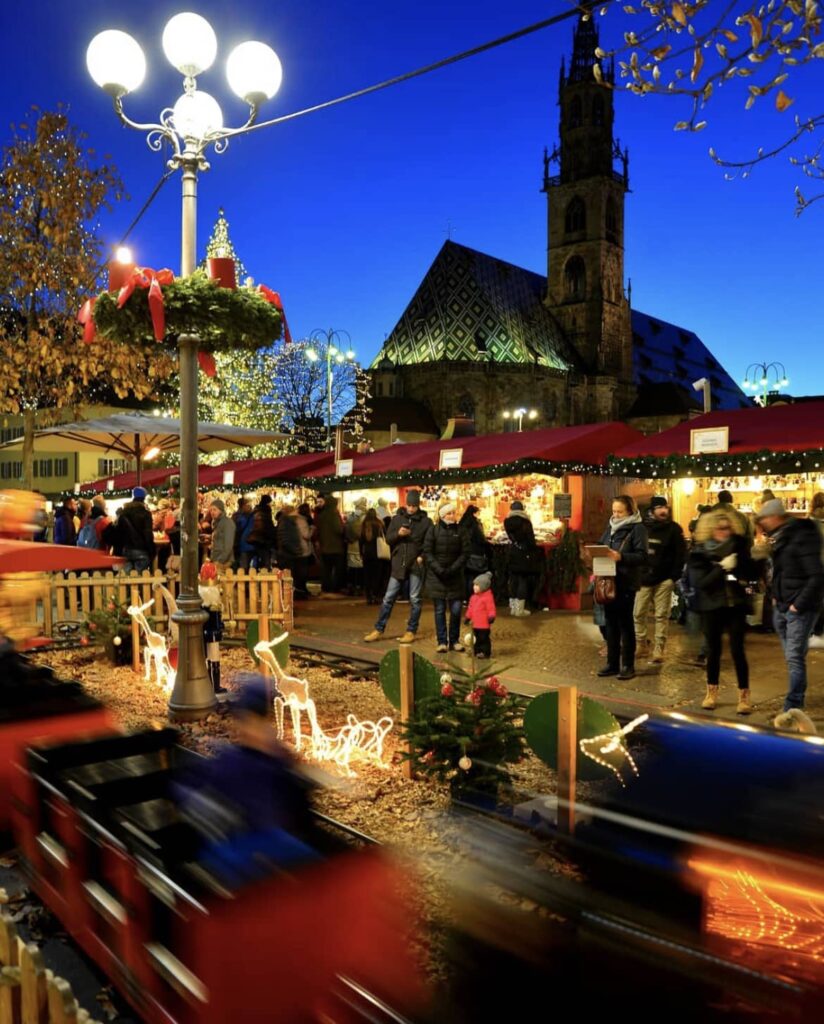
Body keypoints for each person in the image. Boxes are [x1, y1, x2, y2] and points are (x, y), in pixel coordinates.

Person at [173, 675, 318, 886]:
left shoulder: (265, 760)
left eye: (256, 721)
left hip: (267, 847)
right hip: (257, 847)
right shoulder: (240, 760)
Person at [755, 498, 824, 711]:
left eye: (764, 519)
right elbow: (782, 570)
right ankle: (795, 697)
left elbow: (816, 576)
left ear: (775, 517)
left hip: (798, 607)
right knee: (794, 655)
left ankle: (793, 704)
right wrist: (776, 596)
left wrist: (798, 605)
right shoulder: (783, 536)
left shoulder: (800, 536)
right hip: (784, 605)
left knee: (794, 657)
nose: (762, 524)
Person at [688, 510, 756, 713]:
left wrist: (744, 583)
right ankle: (711, 692)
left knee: (738, 650)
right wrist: (722, 569)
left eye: (728, 528)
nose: (725, 532)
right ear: (710, 530)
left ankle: (744, 696)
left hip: (736, 605)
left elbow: (751, 577)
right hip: (711, 606)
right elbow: (701, 583)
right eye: (720, 528)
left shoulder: (740, 547)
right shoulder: (699, 553)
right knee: (713, 650)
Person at [363, 489, 431, 644]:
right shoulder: (397, 519)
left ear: (418, 504)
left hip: (415, 564)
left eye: (414, 505)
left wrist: (422, 557)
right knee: (388, 598)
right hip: (399, 563)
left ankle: (411, 630)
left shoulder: (426, 522)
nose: (411, 508)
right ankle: (379, 628)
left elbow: (428, 543)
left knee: (415, 599)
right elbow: (388, 539)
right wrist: (399, 534)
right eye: (409, 505)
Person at [596, 495, 648, 681]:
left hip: (626, 581)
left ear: (630, 511)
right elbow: (602, 545)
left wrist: (621, 557)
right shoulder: (610, 526)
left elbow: (642, 556)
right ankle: (612, 663)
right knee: (610, 624)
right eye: (614, 511)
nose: (616, 515)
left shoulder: (637, 528)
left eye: (620, 512)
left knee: (625, 624)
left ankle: (628, 665)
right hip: (608, 579)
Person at [633, 496, 685, 664]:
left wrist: (673, 577)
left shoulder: (674, 529)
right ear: (652, 510)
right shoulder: (642, 528)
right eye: (659, 507)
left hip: (664, 579)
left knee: (661, 615)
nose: (664, 510)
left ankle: (659, 650)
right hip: (643, 578)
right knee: (638, 612)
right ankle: (641, 644)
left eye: (665, 507)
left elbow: (681, 554)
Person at [423, 502, 469, 653]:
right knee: (440, 610)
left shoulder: (461, 531)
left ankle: (454, 640)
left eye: (453, 513)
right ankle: (442, 641)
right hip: (437, 577)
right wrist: (439, 569)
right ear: (442, 515)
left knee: (456, 610)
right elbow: (428, 552)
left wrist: (453, 568)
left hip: (455, 577)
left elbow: (465, 552)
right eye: (449, 513)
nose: (452, 516)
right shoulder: (433, 531)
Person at [503, 501, 539, 617]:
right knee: (522, 580)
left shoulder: (507, 521)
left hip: (512, 552)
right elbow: (530, 539)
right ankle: (519, 609)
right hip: (523, 553)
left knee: (513, 580)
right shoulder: (525, 522)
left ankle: (513, 608)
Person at [118, 486, 155, 573]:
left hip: (126, 550)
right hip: (141, 550)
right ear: (144, 498)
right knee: (139, 579)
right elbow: (148, 534)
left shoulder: (123, 513)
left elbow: (119, 532)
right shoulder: (145, 514)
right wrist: (152, 551)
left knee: (126, 579)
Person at [316, 494, 347, 595]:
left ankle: (326, 586)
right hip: (335, 546)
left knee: (326, 569)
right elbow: (339, 529)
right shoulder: (334, 514)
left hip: (324, 546)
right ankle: (335, 587)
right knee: (338, 569)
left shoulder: (321, 515)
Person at [459, 504, 489, 600]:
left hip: (464, 552)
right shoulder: (475, 524)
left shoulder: (462, 522)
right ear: (474, 513)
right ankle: (472, 597)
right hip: (475, 552)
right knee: (474, 576)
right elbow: (481, 538)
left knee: (466, 576)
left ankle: (465, 598)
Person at [465, 571, 496, 659]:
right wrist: (468, 617)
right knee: (476, 639)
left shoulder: (488, 598)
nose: (474, 587)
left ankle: (485, 652)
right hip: (475, 624)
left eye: (477, 585)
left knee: (484, 639)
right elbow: (470, 609)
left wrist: (491, 616)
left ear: (483, 587)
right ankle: (477, 651)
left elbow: (491, 608)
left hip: (484, 625)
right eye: (474, 585)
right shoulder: (473, 597)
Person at [277, 505, 306, 595]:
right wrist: (296, 550)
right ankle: (288, 596)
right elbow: (285, 540)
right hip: (287, 555)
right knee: (289, 577)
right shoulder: (286, 523)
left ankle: (291, 594)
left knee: (293, 576)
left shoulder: (290, 522)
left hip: (290, 554)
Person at [359, 508, 386, 605]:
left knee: (367, 575)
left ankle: (368, 597)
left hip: (367, 553)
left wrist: (361, 553)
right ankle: (375, 595)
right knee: (376, 575)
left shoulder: (363, 525)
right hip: (377, 553)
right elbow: (385, 537)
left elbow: (361, 541)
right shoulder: (379, 524)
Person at [345, 497, 368, 596]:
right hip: (360, 545)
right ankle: (359, 586)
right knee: (360, 567)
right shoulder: (364, 516)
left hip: (351, 545)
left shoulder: (350, 516)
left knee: (351, 567)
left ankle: (351, 586)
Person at [248, 494, 277, 569]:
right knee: (265, 558)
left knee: (257, 557)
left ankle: (257, 569)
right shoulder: (266, 513)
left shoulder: (255, 511)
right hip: (264, 539)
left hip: (256, 539)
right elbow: (268, 526)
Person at [208, 498, 236, 573]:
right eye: (211, 510)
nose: (212, 512)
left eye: (214, 509)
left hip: (223, 562)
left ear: (221, 510)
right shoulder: (217, 523)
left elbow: (228, 545)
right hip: (216, 559)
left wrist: (220, 561)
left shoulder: (227, 523)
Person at [296, 503, 316, 597]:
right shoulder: (302, 521)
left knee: (302, 571)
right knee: (303, 571)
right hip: (303, 548)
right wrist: (312, 529)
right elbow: (306, 535)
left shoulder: (298, 520)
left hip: (301, 548)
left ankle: (302, 589)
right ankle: (302, 590)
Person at [233, 496, 256, 571]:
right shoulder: (241, 517)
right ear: (243, 506)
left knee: (246, 567)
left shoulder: (251, 516)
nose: (249, 506)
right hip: (244, 544)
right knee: (244, 567)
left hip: (248, 544)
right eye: (247, 504)